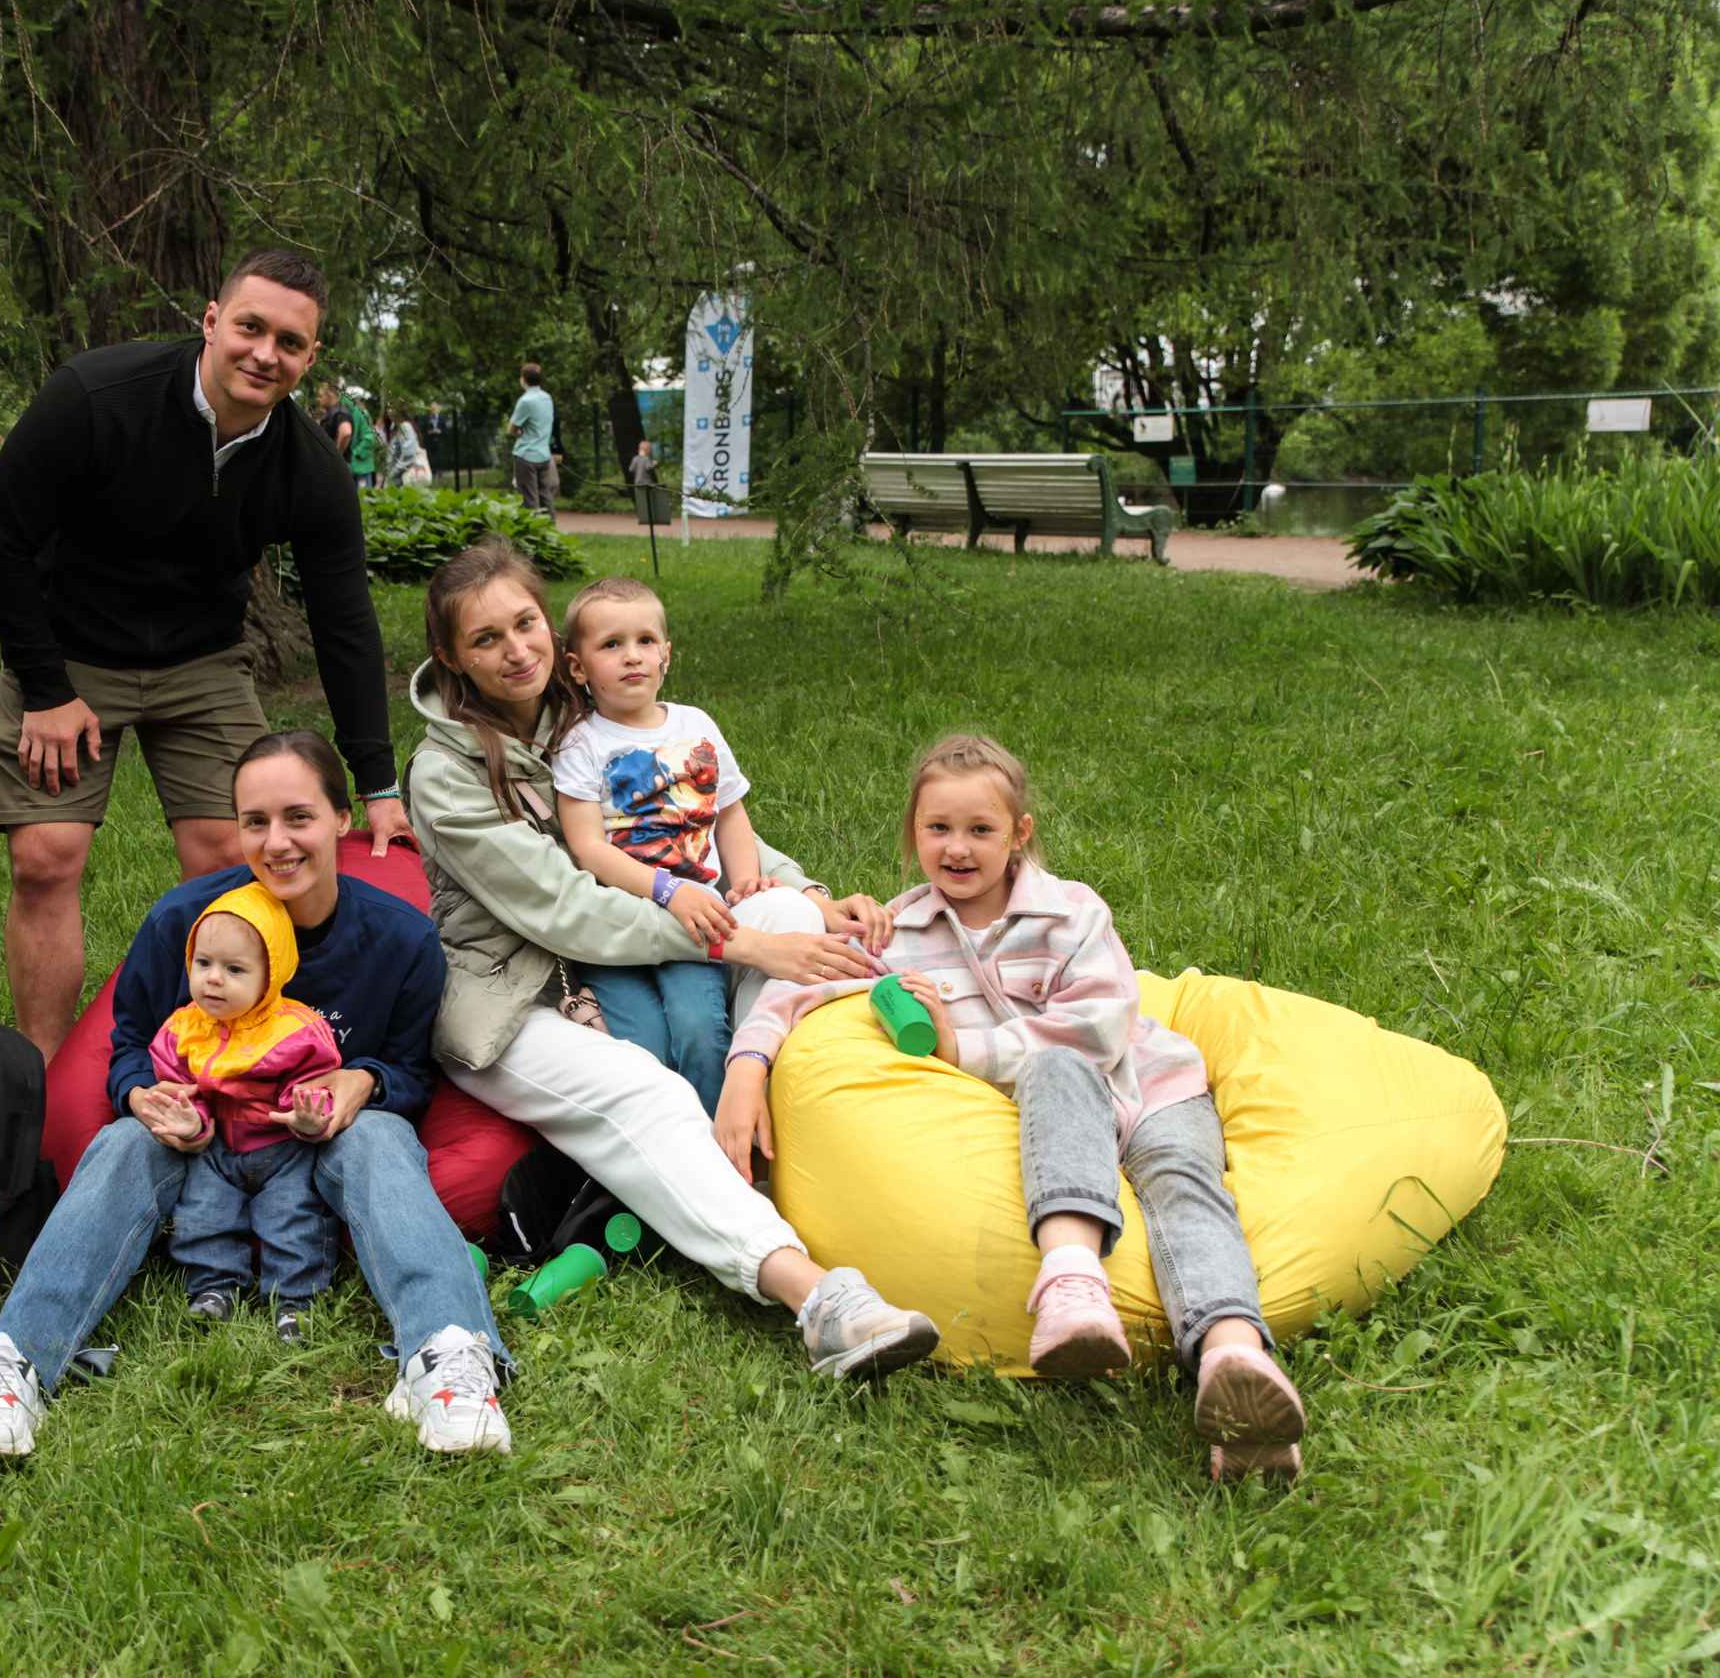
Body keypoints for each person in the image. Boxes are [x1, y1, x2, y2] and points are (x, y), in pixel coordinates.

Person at [403, 544, 940, 1381]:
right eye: (485, 639)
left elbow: (694, 825)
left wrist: (809, 895)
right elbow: (565, 908)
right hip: (517, 996)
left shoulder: (583, 708)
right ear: (450, 658)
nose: (517, 651)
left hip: (651, 940)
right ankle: (822, 1299)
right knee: (646, 1087)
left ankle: (767, 1127)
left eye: (526, 623)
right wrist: (743, 942)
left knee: (786, 909)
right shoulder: (445, 773)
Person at [717, 733, 1307, 1481]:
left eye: (980, 830)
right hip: (1050, 1121)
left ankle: (1232, 1359)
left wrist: (961, 1047)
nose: (957, 849)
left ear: (1020, 833)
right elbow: (802, 989)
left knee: (1185, 1186)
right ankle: (1073, 1284)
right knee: (1054, 1080)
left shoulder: (1071, 913)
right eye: (938, 829)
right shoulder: (899, 932)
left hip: (1150, 1091)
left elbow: (1098, 1026)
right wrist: (746, 1066)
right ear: (912, 832)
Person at [0, 731, 512, 1460]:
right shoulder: (186, 921)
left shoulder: (399, 939)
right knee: (121, 1139)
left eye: (298, 816)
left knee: (379, 1132)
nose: (276, 842)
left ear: (344, 818)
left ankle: (450, 1356)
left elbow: (411, 1069)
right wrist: (141, 1094)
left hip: (321, 1143)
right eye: (255, 821)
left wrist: (362, 1081)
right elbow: (124, 1044)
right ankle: (10, 1362)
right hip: (203, 1145)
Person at [0, 248, 415, 1060]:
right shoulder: (95, 398)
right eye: (249, 327)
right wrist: (43, 684)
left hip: (204, 658)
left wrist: (377, 781)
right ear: (211, 322)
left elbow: (344, 620)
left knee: (231, 859)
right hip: (68, 652)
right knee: (46, 856)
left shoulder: (310, 467)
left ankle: (209, 1057)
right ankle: (40, 1079)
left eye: (289, 341)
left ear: (311, 358)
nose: (263, 353)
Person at [549, 576, 807, 1115]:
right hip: (620, 926)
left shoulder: (695, 724)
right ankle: (670, 1146)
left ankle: (725, 1143)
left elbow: (729, 810)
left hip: (695, 923)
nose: (632, 657)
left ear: (666, 655)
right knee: (645, 1048)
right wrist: (667, 890)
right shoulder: (581, 742)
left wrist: (745, 878)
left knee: (698, 1031)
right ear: (578, 668)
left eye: (646, 641)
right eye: (611, 645)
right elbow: (588, 849)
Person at [152, 882, 346, 1342]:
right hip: (216, 1150)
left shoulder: (294, 1030)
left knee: (294, 1219)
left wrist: (309, 1116)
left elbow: (318, 1084)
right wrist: (189, 1117)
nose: (213, 979)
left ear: (270, 976)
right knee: (201, 1216)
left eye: (234, 969)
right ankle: (214, 1288)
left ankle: (296, 1301)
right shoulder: (183, 1028)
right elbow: (177, 1083)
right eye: (203, 964)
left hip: (282, 1148)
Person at [506, 365, 555, 512]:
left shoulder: (525, 401)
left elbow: (511, 429)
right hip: (544, 454)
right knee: (545, 496)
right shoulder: (547, 398)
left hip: (526, 455)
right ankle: (550, 530)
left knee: (529, 499)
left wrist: (519, 432)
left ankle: (533, 533)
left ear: (523, 380)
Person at [389, 409, 432, 488]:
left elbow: (409, 455)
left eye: (392, 406)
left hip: (402, 481)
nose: (389, 410)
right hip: (401, 480)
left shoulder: (404, 427)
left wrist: (393, 474)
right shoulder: (397, 427)